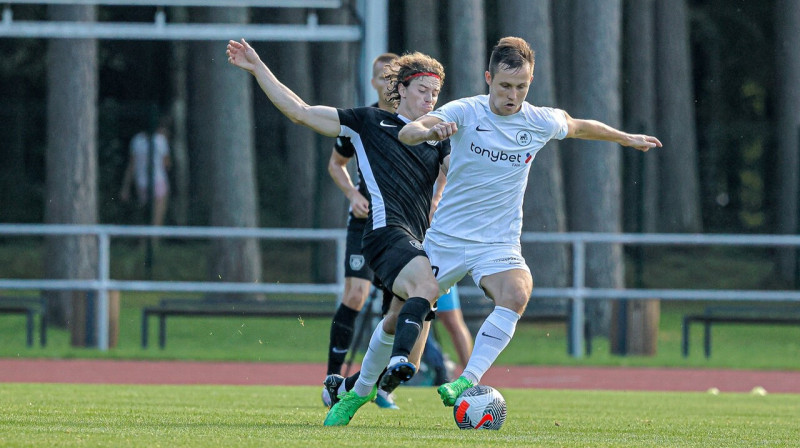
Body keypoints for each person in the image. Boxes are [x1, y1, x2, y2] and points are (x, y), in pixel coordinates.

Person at [398, 36, 662, 407]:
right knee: (396, 320)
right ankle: (356, 392)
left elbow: (579, 125)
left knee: (518, 292)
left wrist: (625, 139)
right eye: (505, 86)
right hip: (446, 239)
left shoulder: (539, 121)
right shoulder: (465, 111)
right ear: (488, 78)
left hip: (497, 243)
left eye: (521, 87)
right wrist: (428, 130)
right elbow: (408, 131)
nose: (513, 95)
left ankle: (465, 381)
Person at [226, 39, 449, 426]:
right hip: (383, 233)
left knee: (407, 344)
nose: (430, 99)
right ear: (401, 89)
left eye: (435, 93)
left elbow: (457, 176)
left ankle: (344, 387)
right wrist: (258, 67)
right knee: (420, 292)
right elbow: (300, 111)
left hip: (419, 240)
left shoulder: (439, 134)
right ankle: (379, 366)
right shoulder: (366, 122)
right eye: (422, 90)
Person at [322, 52, 402, 411]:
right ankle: (332, 380)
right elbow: (336, 165)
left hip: (401, 224)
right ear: (373, 82)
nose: (389, 82)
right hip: (365, 218)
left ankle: (378, 386)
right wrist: (352, 193)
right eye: (382, 77)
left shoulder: (415, 121)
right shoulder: (361, 120)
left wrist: (436, 200)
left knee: (396, 308)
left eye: (395, 77)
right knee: (355, 294)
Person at [120, 116, 172, 228]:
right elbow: (167, 164)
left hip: (142, 182)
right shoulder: (160, 140)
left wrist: (126, 187)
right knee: (157, 217)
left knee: (146, 216)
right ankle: (153, 241)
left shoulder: (137, 140)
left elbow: (132, 166)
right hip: (159, 181)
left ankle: (144, 242)